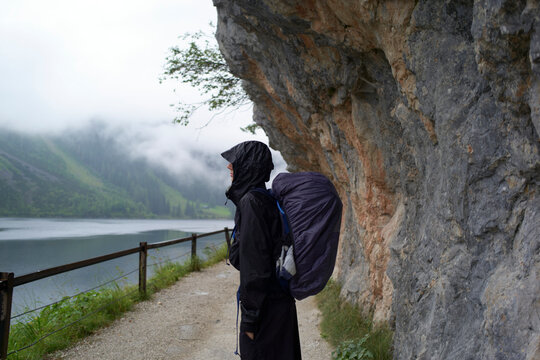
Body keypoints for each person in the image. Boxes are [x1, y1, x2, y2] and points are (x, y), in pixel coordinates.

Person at [221, 140, 302, 360]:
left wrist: (250, 320)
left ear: (248, 165)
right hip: (280, 305)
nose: (229, 167)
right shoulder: (266, 199)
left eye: (234, 162)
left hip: (266, 312)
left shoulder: (251, 203)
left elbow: (254, 269)